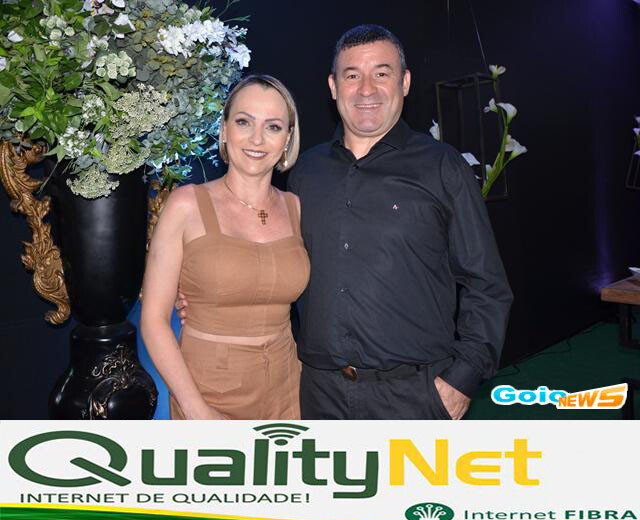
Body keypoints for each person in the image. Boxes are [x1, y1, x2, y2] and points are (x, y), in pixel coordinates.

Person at [178, 25, 513, 420]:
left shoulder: (442, 167)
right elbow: (270, 262)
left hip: (414, 398)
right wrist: (207, 297)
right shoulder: (304, 173)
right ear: (333, 87)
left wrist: (462, 379)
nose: (366, 89)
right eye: (352, 75)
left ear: (405, 82)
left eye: (381, 73)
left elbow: (486, 283)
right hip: (317, 395)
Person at [141, 74, 309, 420]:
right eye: (244, 122)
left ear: (287, 139)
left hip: (288, 391)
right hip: (207, 395)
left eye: (273, 127)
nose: (257, 139)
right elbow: (154, 321)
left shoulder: (296, 207)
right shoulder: (186, 205)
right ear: (224, 130)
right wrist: (197, 411)